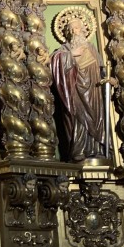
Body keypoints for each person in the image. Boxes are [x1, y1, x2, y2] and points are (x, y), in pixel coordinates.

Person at [51, 16, 104, 161]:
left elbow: (101, 68)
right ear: (68, 32)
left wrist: (108, 78)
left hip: (93, 90)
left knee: (95, 118)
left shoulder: (91, 48)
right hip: (74, 90)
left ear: (84, 30)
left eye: (78, 28)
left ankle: (96, 149)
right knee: (77, 119)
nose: (75, 32)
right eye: (72, 29)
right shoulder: (64, 49)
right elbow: (54, 62)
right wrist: (72, 54)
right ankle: (77, 150)